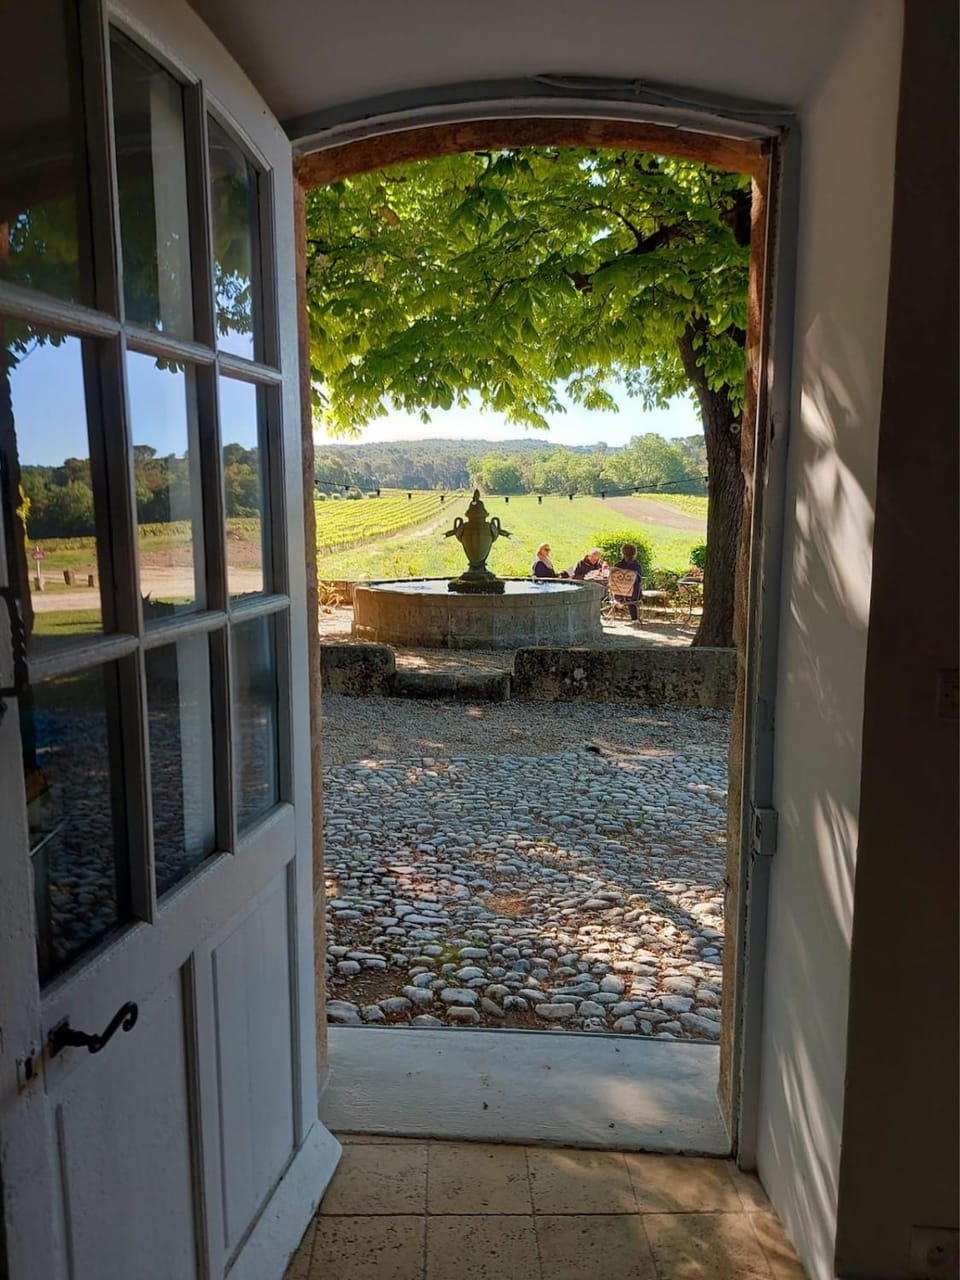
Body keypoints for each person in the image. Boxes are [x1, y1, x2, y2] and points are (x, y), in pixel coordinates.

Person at [610, 542, 644, 621]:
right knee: (634, 588)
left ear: (622, 553)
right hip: (633, 596)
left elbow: (612, 579)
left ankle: (619, 605)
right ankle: (634, 619)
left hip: (618, 595)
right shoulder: (637, 566)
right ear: (635, 553)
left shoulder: (617, 565)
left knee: (626, 589)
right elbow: (639, 579)